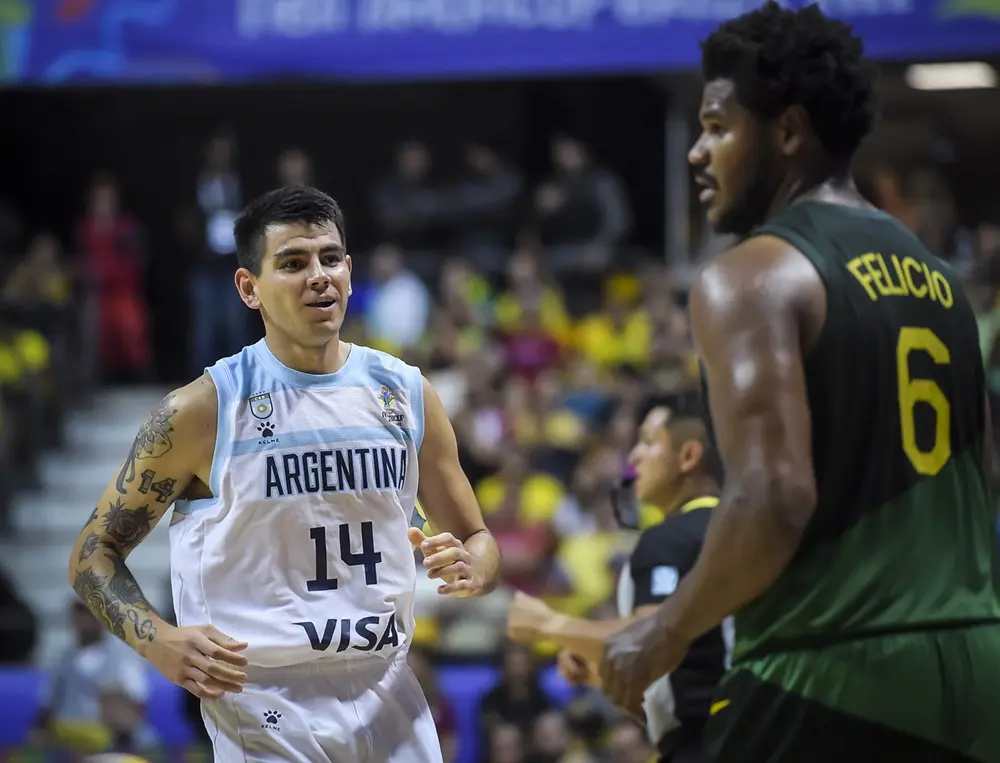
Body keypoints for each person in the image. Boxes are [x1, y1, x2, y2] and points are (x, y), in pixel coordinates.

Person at [600, 4, 1000, 762]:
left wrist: (665, 627)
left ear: (786, 132)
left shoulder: (755, 275)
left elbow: (772, 498)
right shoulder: (942, 282)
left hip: (833, 669)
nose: (696, 152)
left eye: (719, 128)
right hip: (977, 668)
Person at [67, 185, 501, 763]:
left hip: (390, 689)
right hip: (266, 704)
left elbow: (479, 539)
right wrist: (159, 641)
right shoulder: (202, 410)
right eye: (293, 263)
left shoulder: (406, 392)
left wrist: (476, 566)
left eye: (329, 259)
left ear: (349, 271)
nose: (317, 276)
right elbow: (91, 555)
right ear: (250, 288)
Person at [507, 401, 725, 763]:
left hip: (706, 740)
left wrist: (550, 625)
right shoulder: (738, 532)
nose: (634, 456)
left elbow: (652, 639)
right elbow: (694, 651)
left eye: (649, 441)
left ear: (688, 455)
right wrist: (596, 665)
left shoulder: (670, 539)